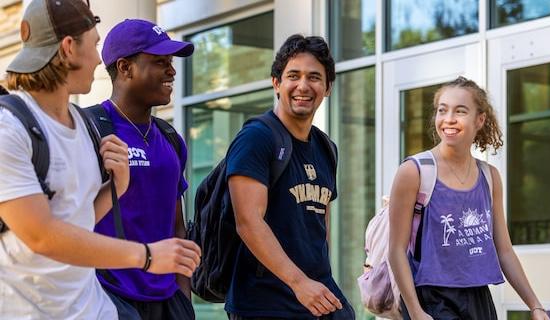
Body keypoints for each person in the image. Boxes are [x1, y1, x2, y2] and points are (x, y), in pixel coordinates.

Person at [0, 1, 200, 319]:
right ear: (68, 48)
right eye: (94, 45)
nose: (98, 59)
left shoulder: (81, 125)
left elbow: (77, 219)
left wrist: (116, 187)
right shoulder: (9, 127)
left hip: (94, 310)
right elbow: (40, 234)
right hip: (32, 310)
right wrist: (146, 256)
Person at [388, 77, 550, 320]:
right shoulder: (415, 171)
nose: (449, 119)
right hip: (430, 299)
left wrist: (535, 305)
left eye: (460, 111)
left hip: (477, 298)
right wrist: (416, 311)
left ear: (480, 119)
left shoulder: (489, 177)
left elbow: (504, 250)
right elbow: (396, 250)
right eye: (442, 110)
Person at [225, 34, 354, 319]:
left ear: (328, 87)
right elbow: (247, 222)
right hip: (264, 304)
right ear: (276, 83)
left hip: (313, 299)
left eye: (314, 77)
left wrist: (320, 283)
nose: (303, 86)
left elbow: (320, 222)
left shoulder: (326, 148)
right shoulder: (256, 138)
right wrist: (299, 283)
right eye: (293, 75)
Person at [92, 18, 195, 320]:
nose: (172, 71)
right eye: (160, 62)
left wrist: (184, 299)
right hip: (109, 296)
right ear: (125, 68)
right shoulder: (90, 130)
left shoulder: (171, 139)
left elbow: (177, 227)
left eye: (171, 62)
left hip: (168, 301)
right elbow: (69, 220)